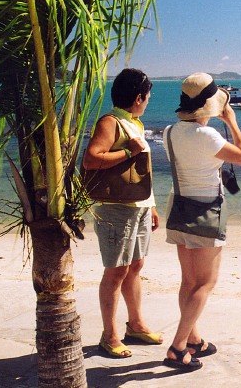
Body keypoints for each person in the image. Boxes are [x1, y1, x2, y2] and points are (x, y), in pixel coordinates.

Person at [162, 72, 241, 371]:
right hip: (206, 210)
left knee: (188, 281)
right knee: (206, 283)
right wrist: (232, 122)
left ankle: (193, 339)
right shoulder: (208, 136)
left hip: (179, 207)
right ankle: (177, 347)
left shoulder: (169, 132)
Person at [82, 68, 162, 358]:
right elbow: (92, 159)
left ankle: (136, 325)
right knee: (116, 272)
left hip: (137, 206)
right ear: (138, 97)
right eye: (148, 97)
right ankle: (109, 335)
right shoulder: (110, 122)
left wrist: (151, 205)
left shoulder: (135, 124)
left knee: (135, 267)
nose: (148, 102)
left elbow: (141, 171)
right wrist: (128, 152)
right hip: (115, 209)